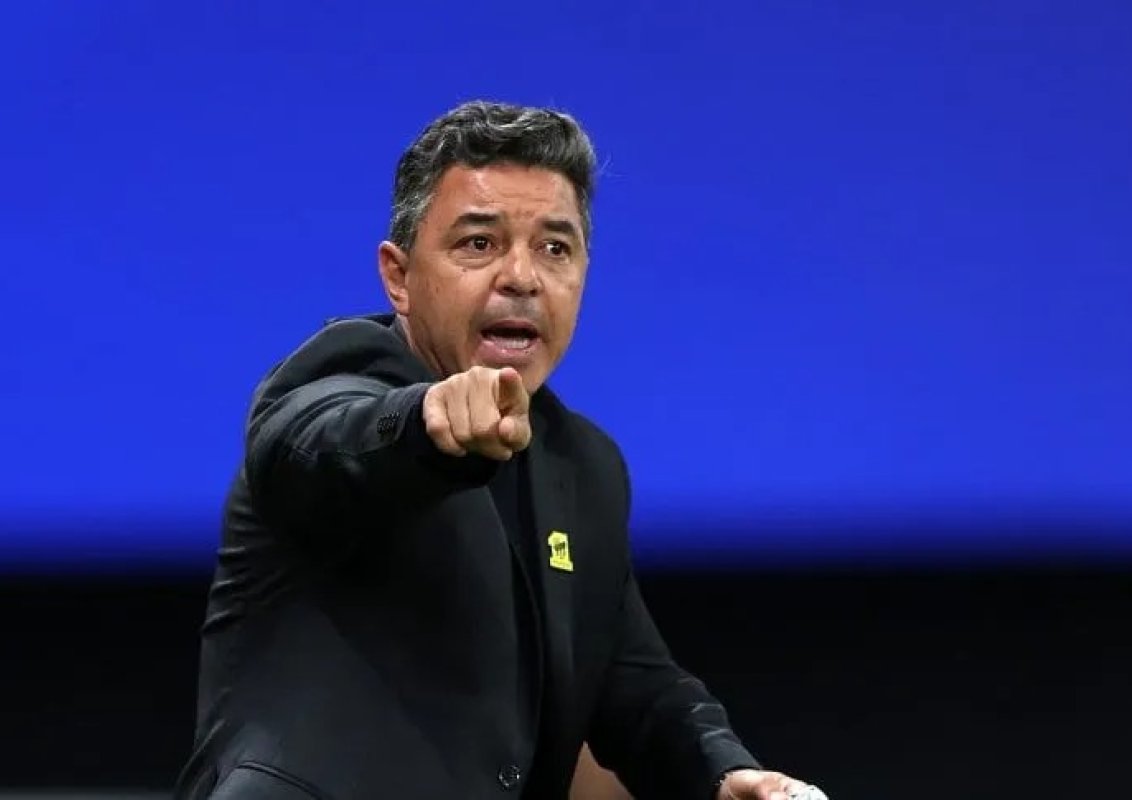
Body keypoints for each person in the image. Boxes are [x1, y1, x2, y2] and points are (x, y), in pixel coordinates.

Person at [177, 100, 828, 800]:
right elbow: (317, 447)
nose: (522, 277)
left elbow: (631, 680)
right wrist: (426, 423)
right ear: (399, 276)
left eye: (555, 249)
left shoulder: (583, 465)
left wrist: (722, 772)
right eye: (480, 243)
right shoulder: (340, 376)